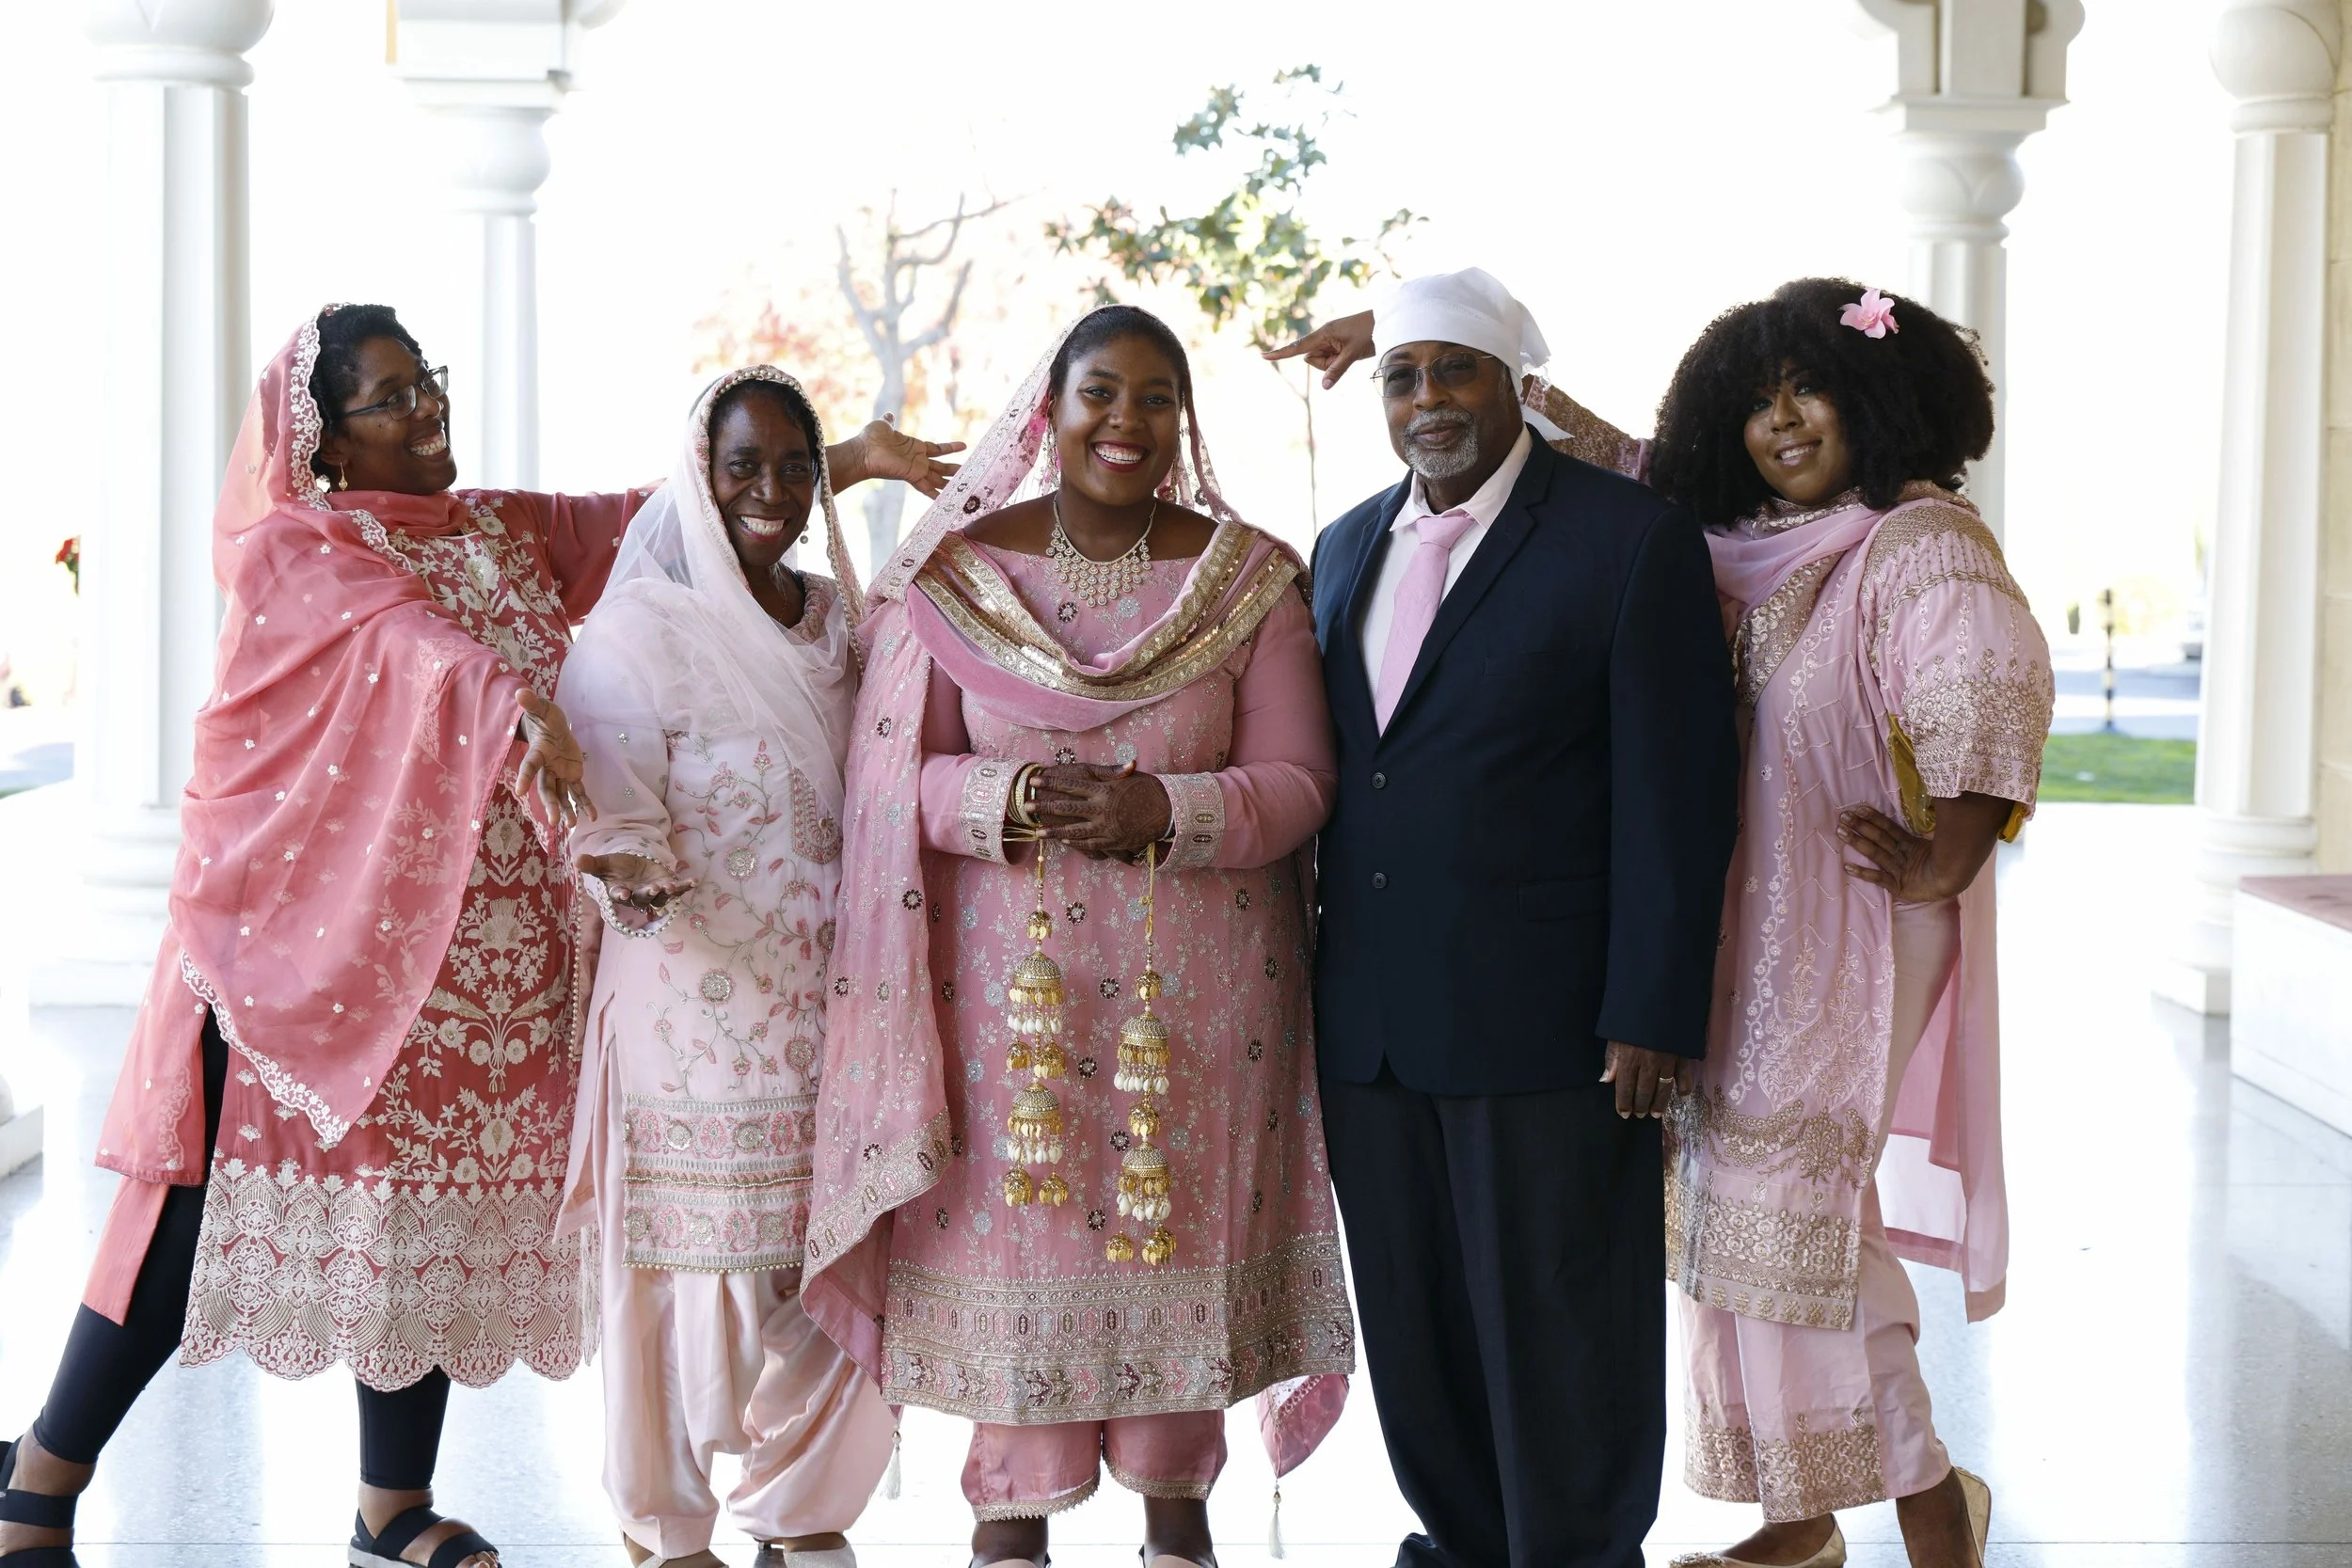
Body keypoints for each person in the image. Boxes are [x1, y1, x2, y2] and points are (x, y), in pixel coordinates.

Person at [0, 305, 957, 1568]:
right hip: (305, 957)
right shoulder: (305, 544)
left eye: (427, 381)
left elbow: (665, 511)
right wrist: (517, 705)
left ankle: (392, 1507)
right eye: (389, 398)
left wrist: (855, 458)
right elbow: (416, 648)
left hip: (457, 969)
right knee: (190, 1221)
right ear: (326, 440)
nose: (426, 408)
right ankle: (39, 1483)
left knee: (424, 1225)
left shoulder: (492, 529)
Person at [1279, 277, 2052, 1568]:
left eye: (1812, 392)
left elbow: (1985, 674)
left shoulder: (1916, 540)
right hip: (1743, 930)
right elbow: (1599, 458)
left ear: (1880, 400)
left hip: (1845, 928)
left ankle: (1929, 1503)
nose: (1782, 423)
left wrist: (1952, 848)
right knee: (1732, 1226)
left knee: (1795, 1212)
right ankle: (1801, 1520)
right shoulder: (1734, 534)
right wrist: (1426, 343)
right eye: (1755, 404)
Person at [801, 305, 1355, 1568]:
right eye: (1103, 391)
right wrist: (1006, 799)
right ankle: (1010, 1516)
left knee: (1176, 1221)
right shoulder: (957, 575)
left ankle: (1176, 1515)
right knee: (1027, 1219)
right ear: (1048, 409)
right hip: (1010, 1012)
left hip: (1200, 1006)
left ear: (1184, 420)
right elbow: (889, 780)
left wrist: (1171, 806)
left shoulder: (1248, 578)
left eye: (1158, 396)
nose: (1129, 420)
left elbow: (1303, 777)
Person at [1274, 268, 1740, 1568]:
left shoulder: (1626, 537)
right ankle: (1465, 1541)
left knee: (1563, 1319)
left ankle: (1580, 1550)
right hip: (1368, 1027)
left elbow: (1678, 793)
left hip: (1553, 1022)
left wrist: (1652, 1005)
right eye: (1405, 375)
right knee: (1418, 1325)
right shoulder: (1347, 541)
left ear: (1515, 382)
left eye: (1456, 370)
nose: (1431, 399)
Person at [556, 367, 895, 1568]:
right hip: (691, 1007)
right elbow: (610, 807)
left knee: (830, 1253)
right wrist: (630, 873)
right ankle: (669, 1520)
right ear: (697, 477)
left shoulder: (835, 619)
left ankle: (803, 1507)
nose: (772, 490)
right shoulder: (638, 628)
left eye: (796, 466)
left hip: (834, 1006)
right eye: (741, 465)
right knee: (695, 1270)